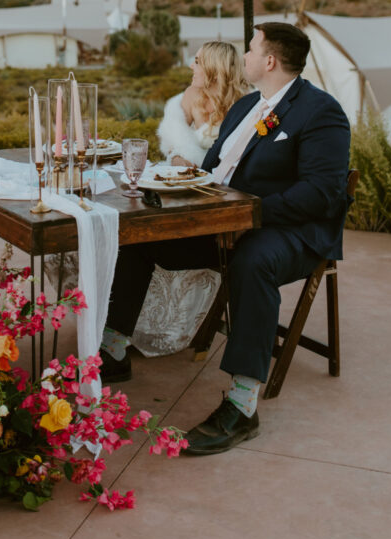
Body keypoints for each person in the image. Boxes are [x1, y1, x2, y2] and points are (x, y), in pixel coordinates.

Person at [100, 22, 350, 456]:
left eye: (251, 50)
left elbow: (322, 193)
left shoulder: (321, 111)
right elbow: (215, 172)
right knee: (140, 233)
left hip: (291, 233)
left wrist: (247, 214)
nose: (246, 57)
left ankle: (242, 405)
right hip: (226, 221)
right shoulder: (245, 107)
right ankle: (113, 351)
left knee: (252, 262)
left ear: (269, 61)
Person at [157, 41, 248, 167]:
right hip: (190, 177)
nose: (191, 66)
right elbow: (173, 138)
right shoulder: (191, 94)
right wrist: (176, 158)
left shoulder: (245, 104)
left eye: (197, 62)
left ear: (216, 71)